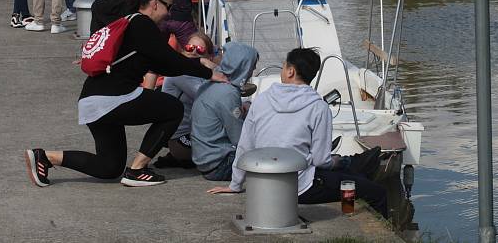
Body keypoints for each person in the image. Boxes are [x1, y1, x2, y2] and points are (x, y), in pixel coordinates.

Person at [24, 0, 228, 188]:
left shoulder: (128, 23)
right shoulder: (142, 24)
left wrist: (196, 64)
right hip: (113, 98)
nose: (169, 14)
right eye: (168, 7)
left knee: (109, 167)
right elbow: (170, 60)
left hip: (93, 99)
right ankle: (137, 170)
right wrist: (209, 73)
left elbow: (164, 65)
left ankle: (46, 156)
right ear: (155, 4)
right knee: (173, 109)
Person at [207, 47, 388, 218]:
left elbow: (245, 146)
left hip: (262, 187)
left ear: (290, 71)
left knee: (350, 176)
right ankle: (356, 181)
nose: (282, 69)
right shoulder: (319, 107)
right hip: (299, 190)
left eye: (284, 65)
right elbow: (320, 160)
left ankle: (357, 166)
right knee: (377, 192)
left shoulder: (261, 101)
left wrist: (235, 184)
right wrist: (336, 162)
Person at [190, 42, 259, 181]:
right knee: (272, 160)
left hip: (204, 159)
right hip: (220, 164)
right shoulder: (228, 93)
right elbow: (239, 138)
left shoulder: (209, 83)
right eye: (252, 66)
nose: (253, 70)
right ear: (243, 66)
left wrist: (242, 109)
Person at [155, 32, 218, 168]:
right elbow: (210, 99)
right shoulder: (180, 73)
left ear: (209, 56)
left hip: (190, 134)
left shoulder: (198, 74)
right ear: (184, 50)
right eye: (190, 47)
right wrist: (215, 68)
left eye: (200, 50)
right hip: (179, 139)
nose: (194, 52)